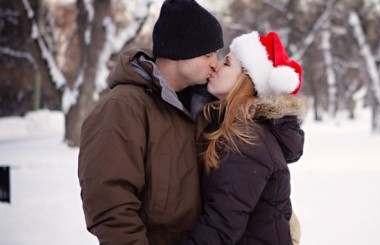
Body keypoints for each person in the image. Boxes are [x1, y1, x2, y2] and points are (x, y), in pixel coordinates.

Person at [77, 0, 223, 244]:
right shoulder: (123, 108)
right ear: (180, 51)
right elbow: (110, 205)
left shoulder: (202, 106)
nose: (215, 63)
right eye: (208, 54)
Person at [182, 31, 308, 245]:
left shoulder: (246, 141)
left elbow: (221, 224)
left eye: (227, 63)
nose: (216, 66)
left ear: (246, 81)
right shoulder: (240, 131)